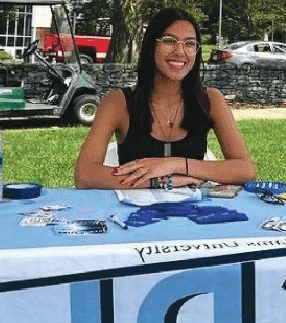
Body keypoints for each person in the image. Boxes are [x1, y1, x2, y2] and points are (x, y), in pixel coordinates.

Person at [74, 8, 255, 189]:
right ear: (151, 45)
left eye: (190, 43)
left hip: (192, 212)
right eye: (169, 41)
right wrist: (162, 180)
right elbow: (85, 174)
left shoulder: (211, 100)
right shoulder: (118, 102)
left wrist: (174, 164)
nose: (180, 51)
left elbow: (245, 170)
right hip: (132, 213)